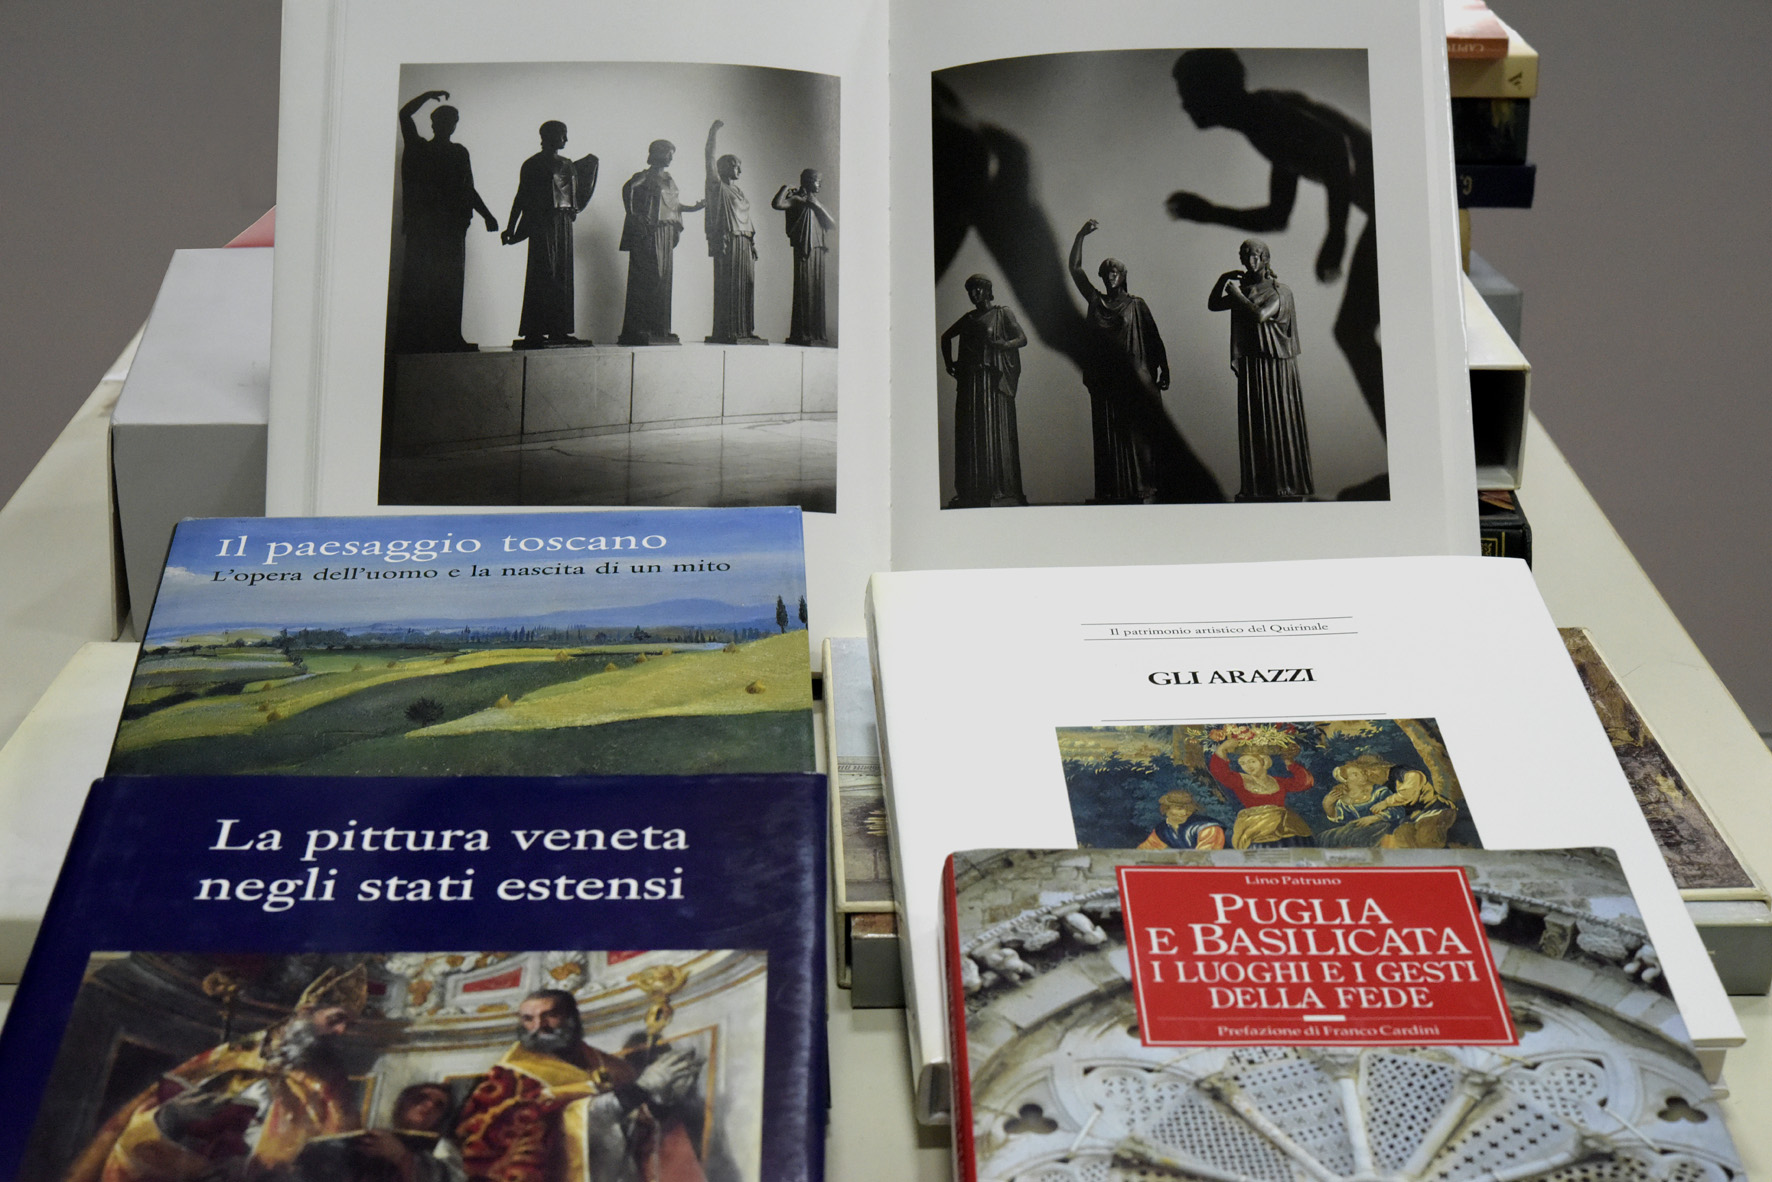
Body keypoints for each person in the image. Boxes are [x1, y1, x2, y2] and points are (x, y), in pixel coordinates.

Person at [1166, 48, 1385, 487]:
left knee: (1353, 332)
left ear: (1214, 90)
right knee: (1354, 332)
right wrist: (1210, 213)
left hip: (1397, 203)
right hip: (1390, 208)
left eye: (1188, 91)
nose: (1184, 103)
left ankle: (1411, 454)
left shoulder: (1265, 112)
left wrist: (1336, 235)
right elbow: (1277, 216)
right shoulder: (1262, 125)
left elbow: (1336, 147)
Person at [66, 966, 369, 1182]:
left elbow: (341, 1160)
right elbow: (143, 1121)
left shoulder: (333, 1087)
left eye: (349, 1025)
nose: (341, 1031)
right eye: (336, 1019)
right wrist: (172, 1119)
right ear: (306, 1011)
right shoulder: (232, 1055)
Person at [454, 989, 706, 1182]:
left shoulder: (612, 1066)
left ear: (571, 1018)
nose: (538, 1027)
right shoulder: (509, 1075)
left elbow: (635, 1128)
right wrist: (639, 1090)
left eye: (550, 1016)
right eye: (528, 1019)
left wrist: (659, 1102)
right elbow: (491, 1138)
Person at [1068, 219, 1170, 504]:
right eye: (1106, 273)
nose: (1110, 277)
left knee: (1137, 433)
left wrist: (1164, 368)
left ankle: (1144, 486)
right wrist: (1080, 235)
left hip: (1134, 378)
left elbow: (1154, 338)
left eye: (1115, 272)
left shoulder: (1136, 305)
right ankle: (1112, 489)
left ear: (1123, 276)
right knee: (1108, 434)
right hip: (1105, 381)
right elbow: (1075, 270)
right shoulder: (1096, 302)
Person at [394, 90, 498, 353]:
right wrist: (427, 96)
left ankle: (450, 335)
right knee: (424, 280)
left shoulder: (459, 152)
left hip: (453, 227)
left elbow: (468, 188)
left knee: (451, 282)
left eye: (453, 122)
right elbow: (404, 115)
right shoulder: (420, 148)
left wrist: (487, 214)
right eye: (444, 121)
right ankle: (420, 337)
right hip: (427, 227)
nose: (449, 126)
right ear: (434, 124)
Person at [1208, 239, 1313, 501]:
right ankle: (1258, 486)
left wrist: (1237, 295)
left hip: (1276, 366)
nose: (1250, 260)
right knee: (1255, 422)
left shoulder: (1281, 291)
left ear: (1265, 258)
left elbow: (1260, 315)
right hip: (1253, 364)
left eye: (1255, 255)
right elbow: (1213, 304)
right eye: (1245, 255)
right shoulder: (1245, 289)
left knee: (1279, 420)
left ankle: (1285, 483)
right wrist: (1222, 279)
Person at [502, 120, 595, 348]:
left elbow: (576, 195)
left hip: (564, 222)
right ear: (549, 136)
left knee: (563, 275)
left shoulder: (569, 165)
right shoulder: (533, 164)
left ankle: (559, 329)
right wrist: (511, 227)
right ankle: (534, 331)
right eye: (563, 135)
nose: (566, 139)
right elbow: (522, 196)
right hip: (542, 222)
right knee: (543, 273)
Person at [939, 274, 1028, 508]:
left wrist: (1004, 345)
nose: (974, 293)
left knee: (994, 431)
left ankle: (1000, 488)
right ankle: (971, 490)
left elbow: (1022, 339)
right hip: (970, 384)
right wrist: (949, 364)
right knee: (970, 433)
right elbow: (945, 337)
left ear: (988, 291)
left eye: (978, 289)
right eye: (970, 290)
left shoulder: (1002, 313)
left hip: (993, 384)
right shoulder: (968, 318)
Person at [619, 140, 705, 346]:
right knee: (650, 276)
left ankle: (660, 328)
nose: (671, 157)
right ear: (656, 153)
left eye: (672, 154)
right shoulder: (645, 176)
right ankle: (640, 328)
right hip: (651, 231)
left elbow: (674, 206)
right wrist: (634, 215)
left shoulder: (669, 179)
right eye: (668, 153)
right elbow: (628, 188)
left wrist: (694, 208)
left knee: (664, 280)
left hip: (667, 230)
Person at [295, 1082, 464, 1182]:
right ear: (404, 1103)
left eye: (439, 1106)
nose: (429, 1106)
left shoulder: (444, 1147)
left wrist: (401, 1156)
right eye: (421, 1098)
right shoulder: (375, 1135)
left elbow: (453, 1178)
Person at [701, 121, 763, 344]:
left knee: (746, 285)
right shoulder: (717, 186)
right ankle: (728, 330)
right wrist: (713, 132)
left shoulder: (739, 191)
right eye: (736, 165)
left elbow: (747, 219)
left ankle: (745, 329)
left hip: (745, 241)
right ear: (723, 167)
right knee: (730, 285)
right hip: (729, 241)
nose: (740, 170)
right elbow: (709, 157)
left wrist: (752, 244)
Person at [1208, 744, 1315, 850]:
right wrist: (1222, 748)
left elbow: (1304, 782)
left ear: (1264, 761)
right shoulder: (1240, 780)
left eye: (1252, 761)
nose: (1248, 766)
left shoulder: (1278, 782)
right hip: (1256, 827)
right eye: (1243, 763)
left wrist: (1289, 762)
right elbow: (1219, 772)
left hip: (1284, 825)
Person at [771, 169, 834, 346]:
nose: (820, 184)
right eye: (817, 180)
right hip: (805, 249)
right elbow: (777, 204)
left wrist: (816, 205)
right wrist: (785, 188)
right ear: (807, 181)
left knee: (816, 289)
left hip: (818, 248)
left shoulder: (814, 202)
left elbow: (832, 224)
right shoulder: (797, 199)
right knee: (805, 289)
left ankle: (816, 334)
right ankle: (803, 333)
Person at [1137, 789, 1227, 850]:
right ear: (1166, 809)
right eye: (1179, 808)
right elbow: (1145, 851)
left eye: (1189, 809)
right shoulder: (1162, 829)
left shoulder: (1208, 828)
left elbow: (1205, 858)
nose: (1184, 813)